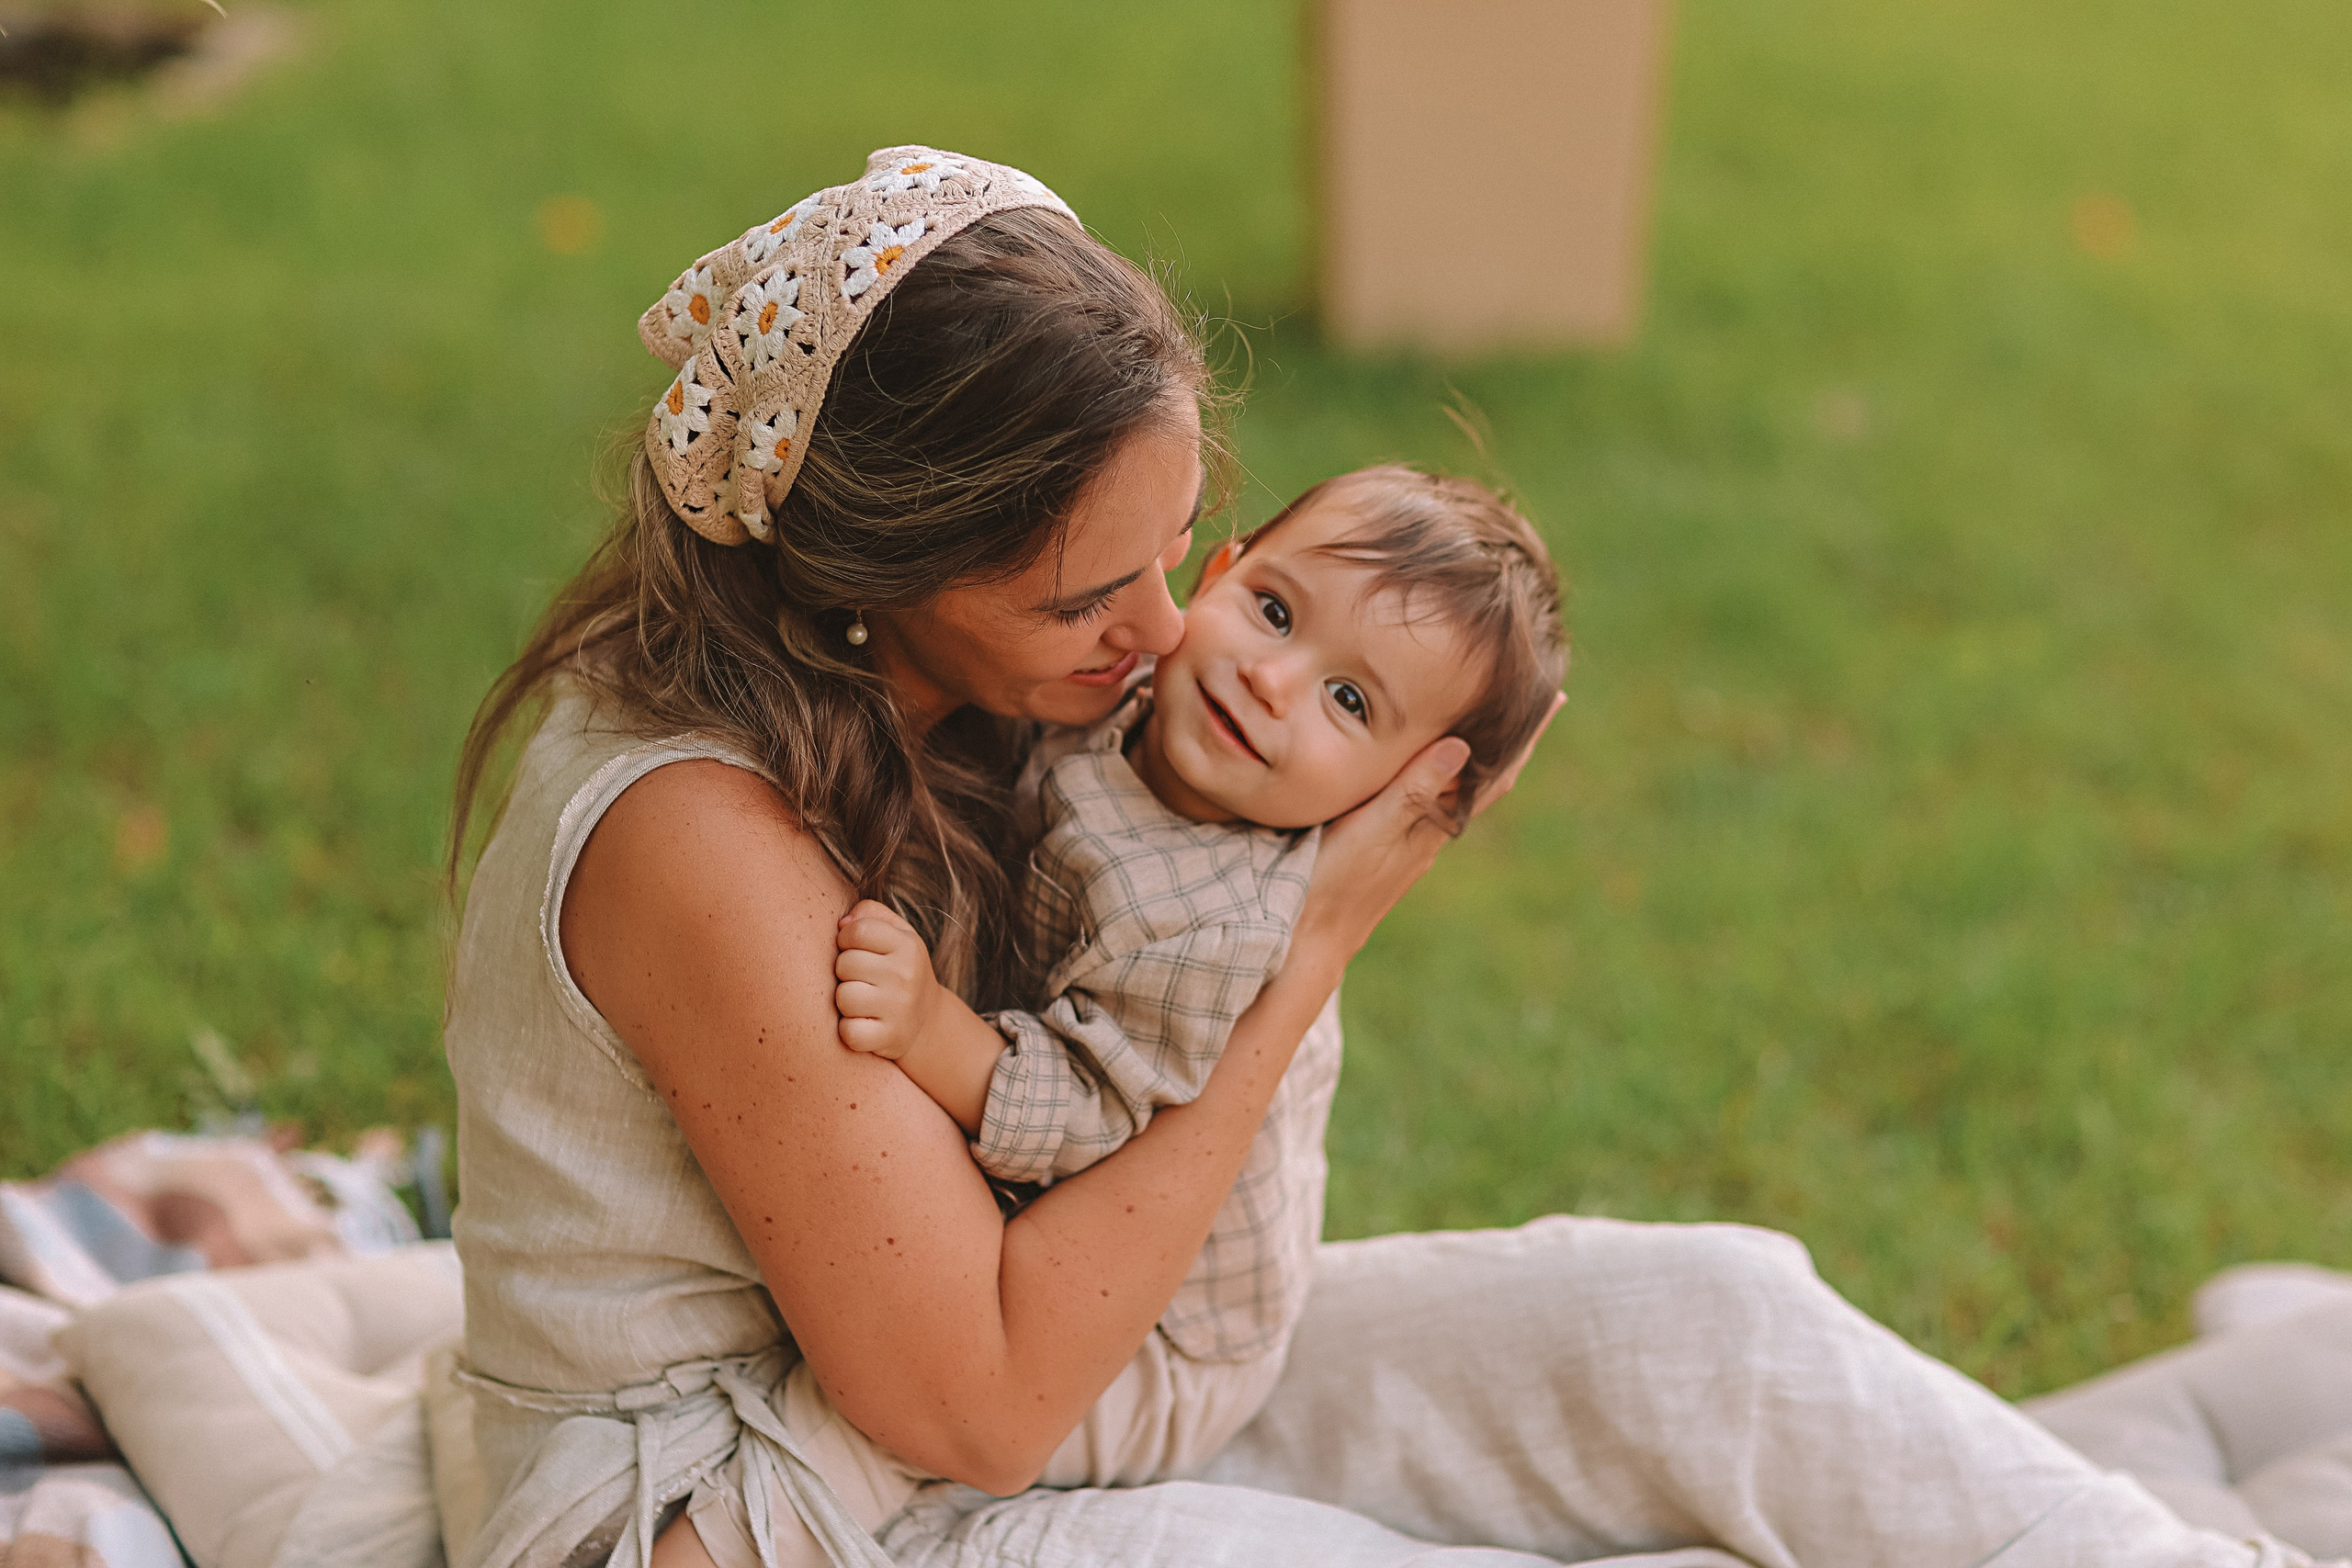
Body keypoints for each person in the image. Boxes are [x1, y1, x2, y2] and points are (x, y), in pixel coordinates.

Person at [440, 145, 2333, 1568]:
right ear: (871, 573)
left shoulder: (974, 684)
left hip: (1041, 1343)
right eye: (1087, 595)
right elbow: (985, 1400)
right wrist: (1312, 947)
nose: (1167, 635)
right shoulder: (700, 833)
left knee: (1699, 1320)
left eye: (1184, 556)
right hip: (748, 1503)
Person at [828, 466, 1565, 1477]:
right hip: (1064, 1261)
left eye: (1346, 700)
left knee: (846, 1429)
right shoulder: (1134, 697)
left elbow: (1087, 1109)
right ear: (1217, 572)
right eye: (1272, 610)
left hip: (1159, 1345)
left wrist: (929, 1032)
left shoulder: (1218, 924)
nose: (1273, 677)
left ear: (1394, 792)